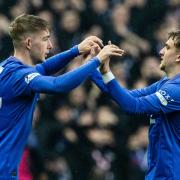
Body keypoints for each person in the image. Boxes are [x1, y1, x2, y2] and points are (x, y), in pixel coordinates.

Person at [0, 14, 124, 179]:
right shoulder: (21, 76)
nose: (50, 45)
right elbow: (58, 85)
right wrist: (95, 61)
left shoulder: (7, 67)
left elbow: (43, 68)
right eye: (45, 39)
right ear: (29, 43)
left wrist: (76, 50)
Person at [90, 30, 180, 179]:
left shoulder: (176, 90)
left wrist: (105, 72)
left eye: (167, 47)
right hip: (157, 173)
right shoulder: (164, 84)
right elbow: (124, 95)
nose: (161, 51)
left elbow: (133, 105)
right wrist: (94, 68)